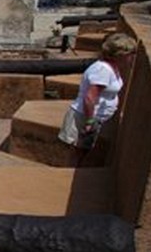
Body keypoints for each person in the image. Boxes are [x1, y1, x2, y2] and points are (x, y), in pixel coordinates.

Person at [57, 32, 137, 165]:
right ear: (121, 54)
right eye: (131, 53)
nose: (133, 57)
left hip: (92, 117)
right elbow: (90, 97)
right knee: (78, 153)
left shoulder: (112, 68)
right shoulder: (103, 70)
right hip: (85, 116)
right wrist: (89, 121)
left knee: (82, 152)